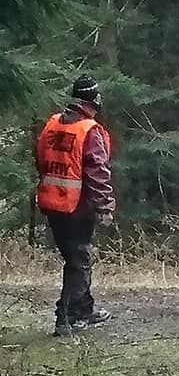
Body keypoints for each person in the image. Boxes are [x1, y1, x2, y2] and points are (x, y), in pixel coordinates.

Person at [34, 74, 116, 335]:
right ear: (94, 101)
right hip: (77, 206)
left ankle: (84, 309)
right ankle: (66, 317)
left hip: (52, 202)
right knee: (79, 260)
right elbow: (97, 172)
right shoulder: (88, 131)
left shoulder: (53, 124)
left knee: (75, 258)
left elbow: (40, 160)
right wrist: (104, 206)